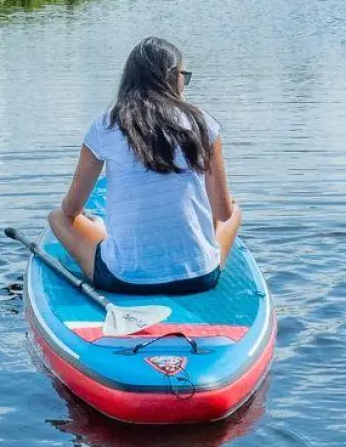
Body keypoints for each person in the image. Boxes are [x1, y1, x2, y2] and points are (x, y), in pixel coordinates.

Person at [49, 37, 241, 295]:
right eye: (183, 74)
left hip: (125, 280)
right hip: (199, 278)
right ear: (173, 78)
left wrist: (91, 228)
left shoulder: (105, 125)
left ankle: (105, 234)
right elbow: (222, 212)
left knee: (57, 217)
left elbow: (71, 209)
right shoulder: (203, 123)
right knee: (234, 210)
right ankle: (202, 257)